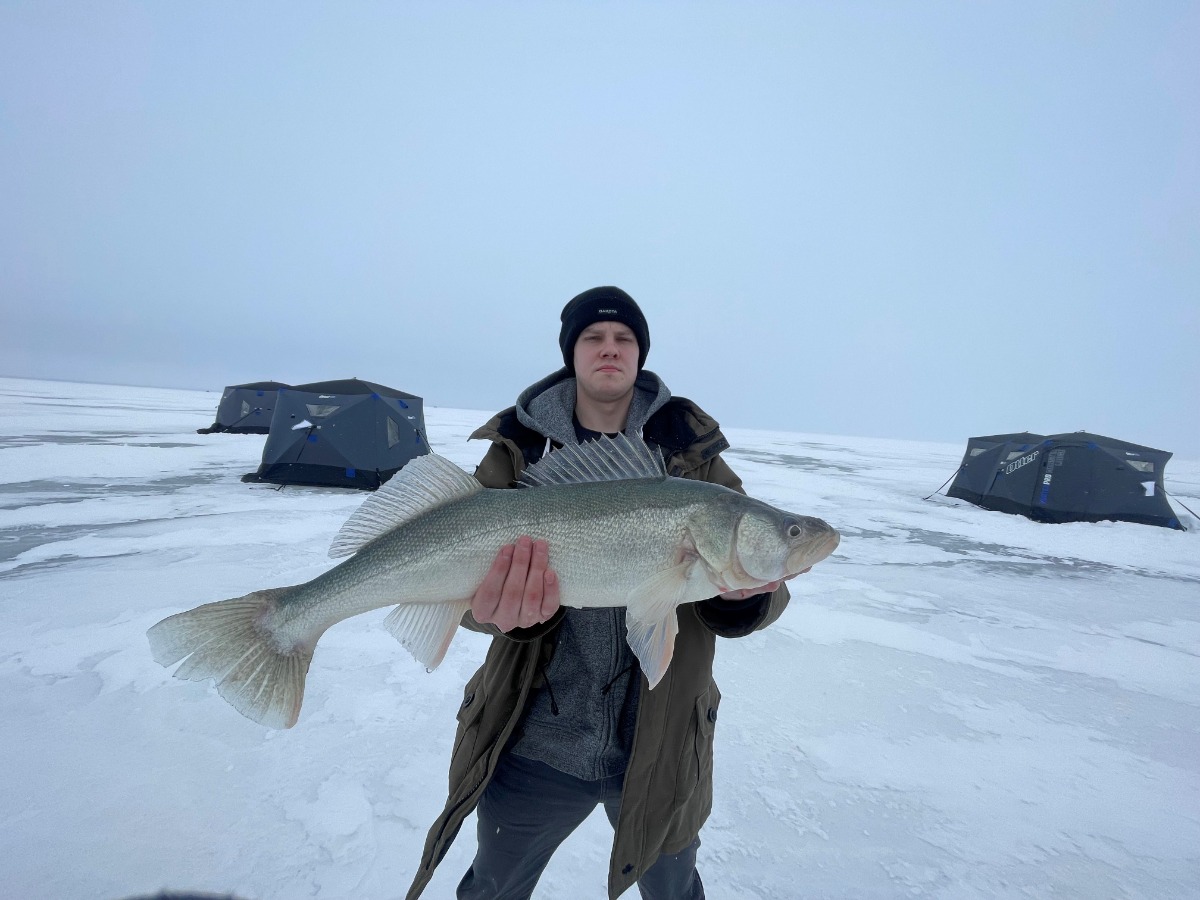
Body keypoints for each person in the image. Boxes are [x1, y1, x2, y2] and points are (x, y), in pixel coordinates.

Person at [405, 287, 800, 900]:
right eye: (594, 337)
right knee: (493, 887)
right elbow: (467, 588)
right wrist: (511, 617)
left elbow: (760, 593)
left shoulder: (696, 464)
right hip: (532, 738)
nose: (609, 349)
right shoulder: (514, 452)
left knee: (673, 890)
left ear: (641, 356)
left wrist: (742, 599)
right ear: (572, 354)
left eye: (625, 339)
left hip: (661, 745)